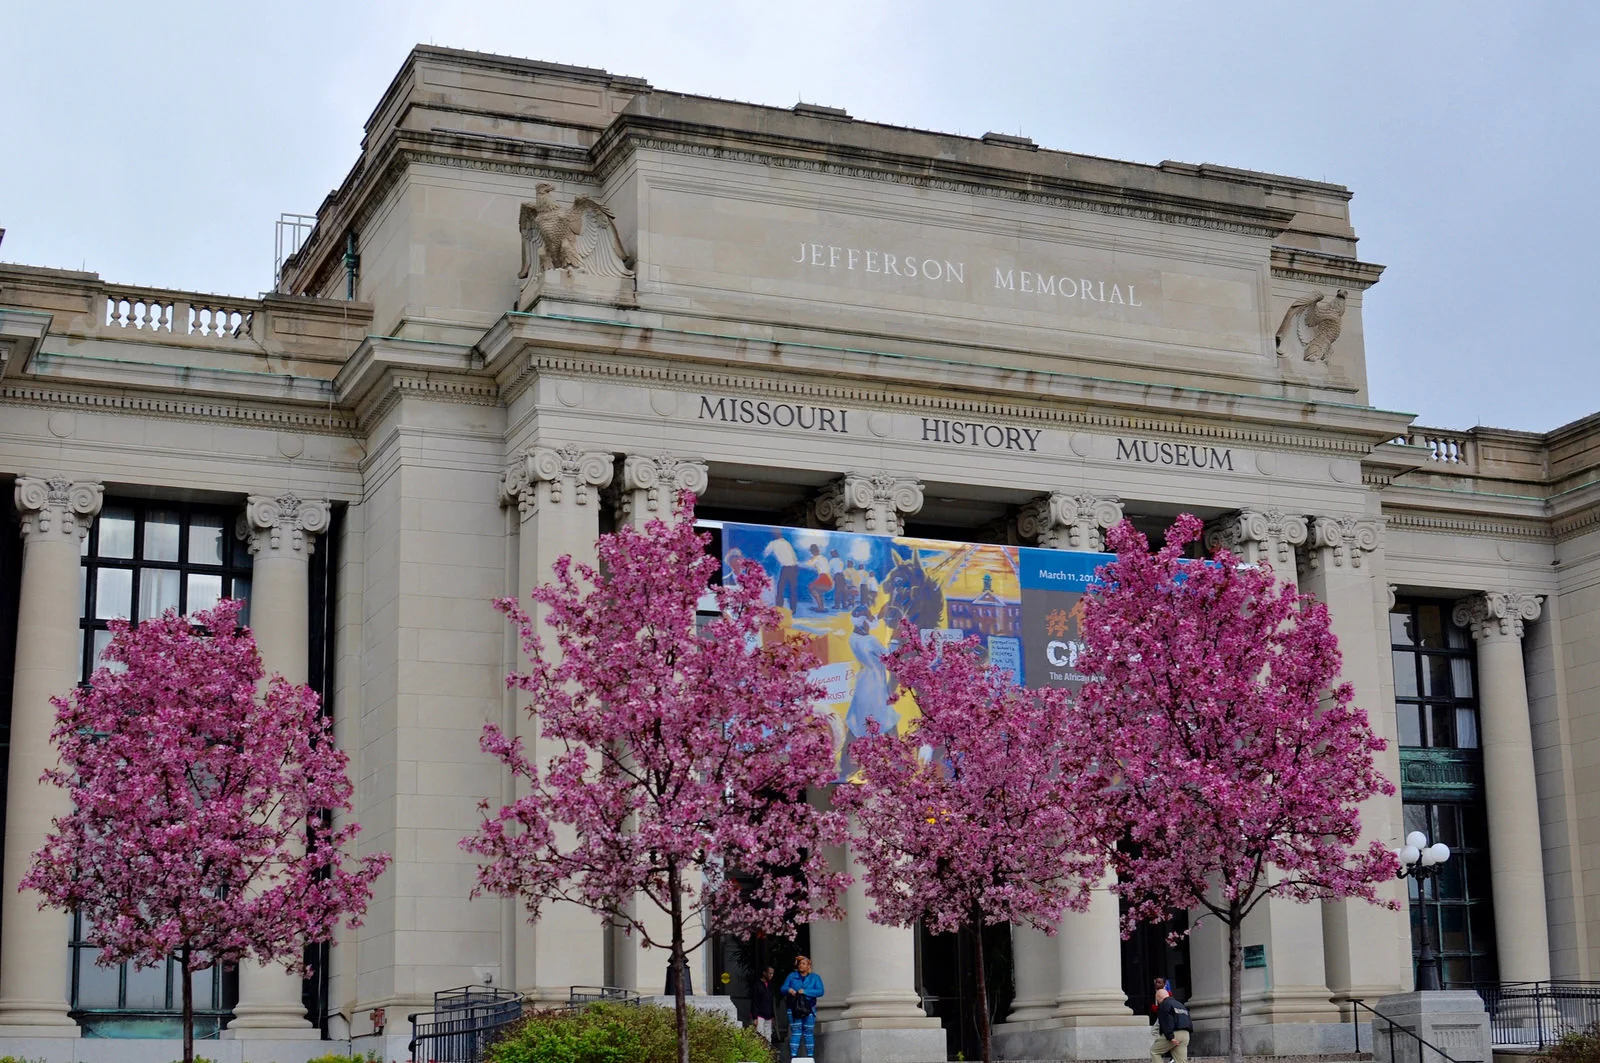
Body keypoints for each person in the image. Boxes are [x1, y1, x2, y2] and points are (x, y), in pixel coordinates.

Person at [781, 954, 824, 1059]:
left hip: (809, 1008)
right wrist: (789, 990)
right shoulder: (792, 976)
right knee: (796, 1031)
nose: (801, 966)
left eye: (804, 964)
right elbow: (783, 988)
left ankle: (810, 1056)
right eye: (800, 964)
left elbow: (820, 991)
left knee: (808, 1031)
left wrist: (805, 991)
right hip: (794, 1007)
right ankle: (793, 1056)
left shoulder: (815, 978)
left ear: (808, 966)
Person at [1152, 983, 1193, 1063]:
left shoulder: (1164, 1004)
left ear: (1159, 997)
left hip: (1174, 1034)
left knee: (1155, 1051)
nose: (1158, 1002)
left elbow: (1166, 1021)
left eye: (1157, 999)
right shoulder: (1180, 1004)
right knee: (1181, 1061)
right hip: (1186, 1035)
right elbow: (1188, 1019)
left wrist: (1170, 1037)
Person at [763, 529, 801, 613]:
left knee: (781, 588)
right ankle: (791, 609)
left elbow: (765, 553)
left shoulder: (773, 543)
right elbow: (794, 556)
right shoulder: (786, 543)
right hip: (793, 567)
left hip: (787, 568)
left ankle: (780, 608)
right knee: (791, 589)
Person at [751, 965, 776, 1044]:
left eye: (772, 974)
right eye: (769, 973)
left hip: (769, 1014)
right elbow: (754, 1001)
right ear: (764, 973)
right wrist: (754, 1017)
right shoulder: (757, 985)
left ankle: (768, 1053)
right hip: (759, 1014)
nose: (771, 975)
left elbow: (771, 1002)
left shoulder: (770, 986)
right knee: (760, 1035)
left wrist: (773, 1016)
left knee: (768, 1035)